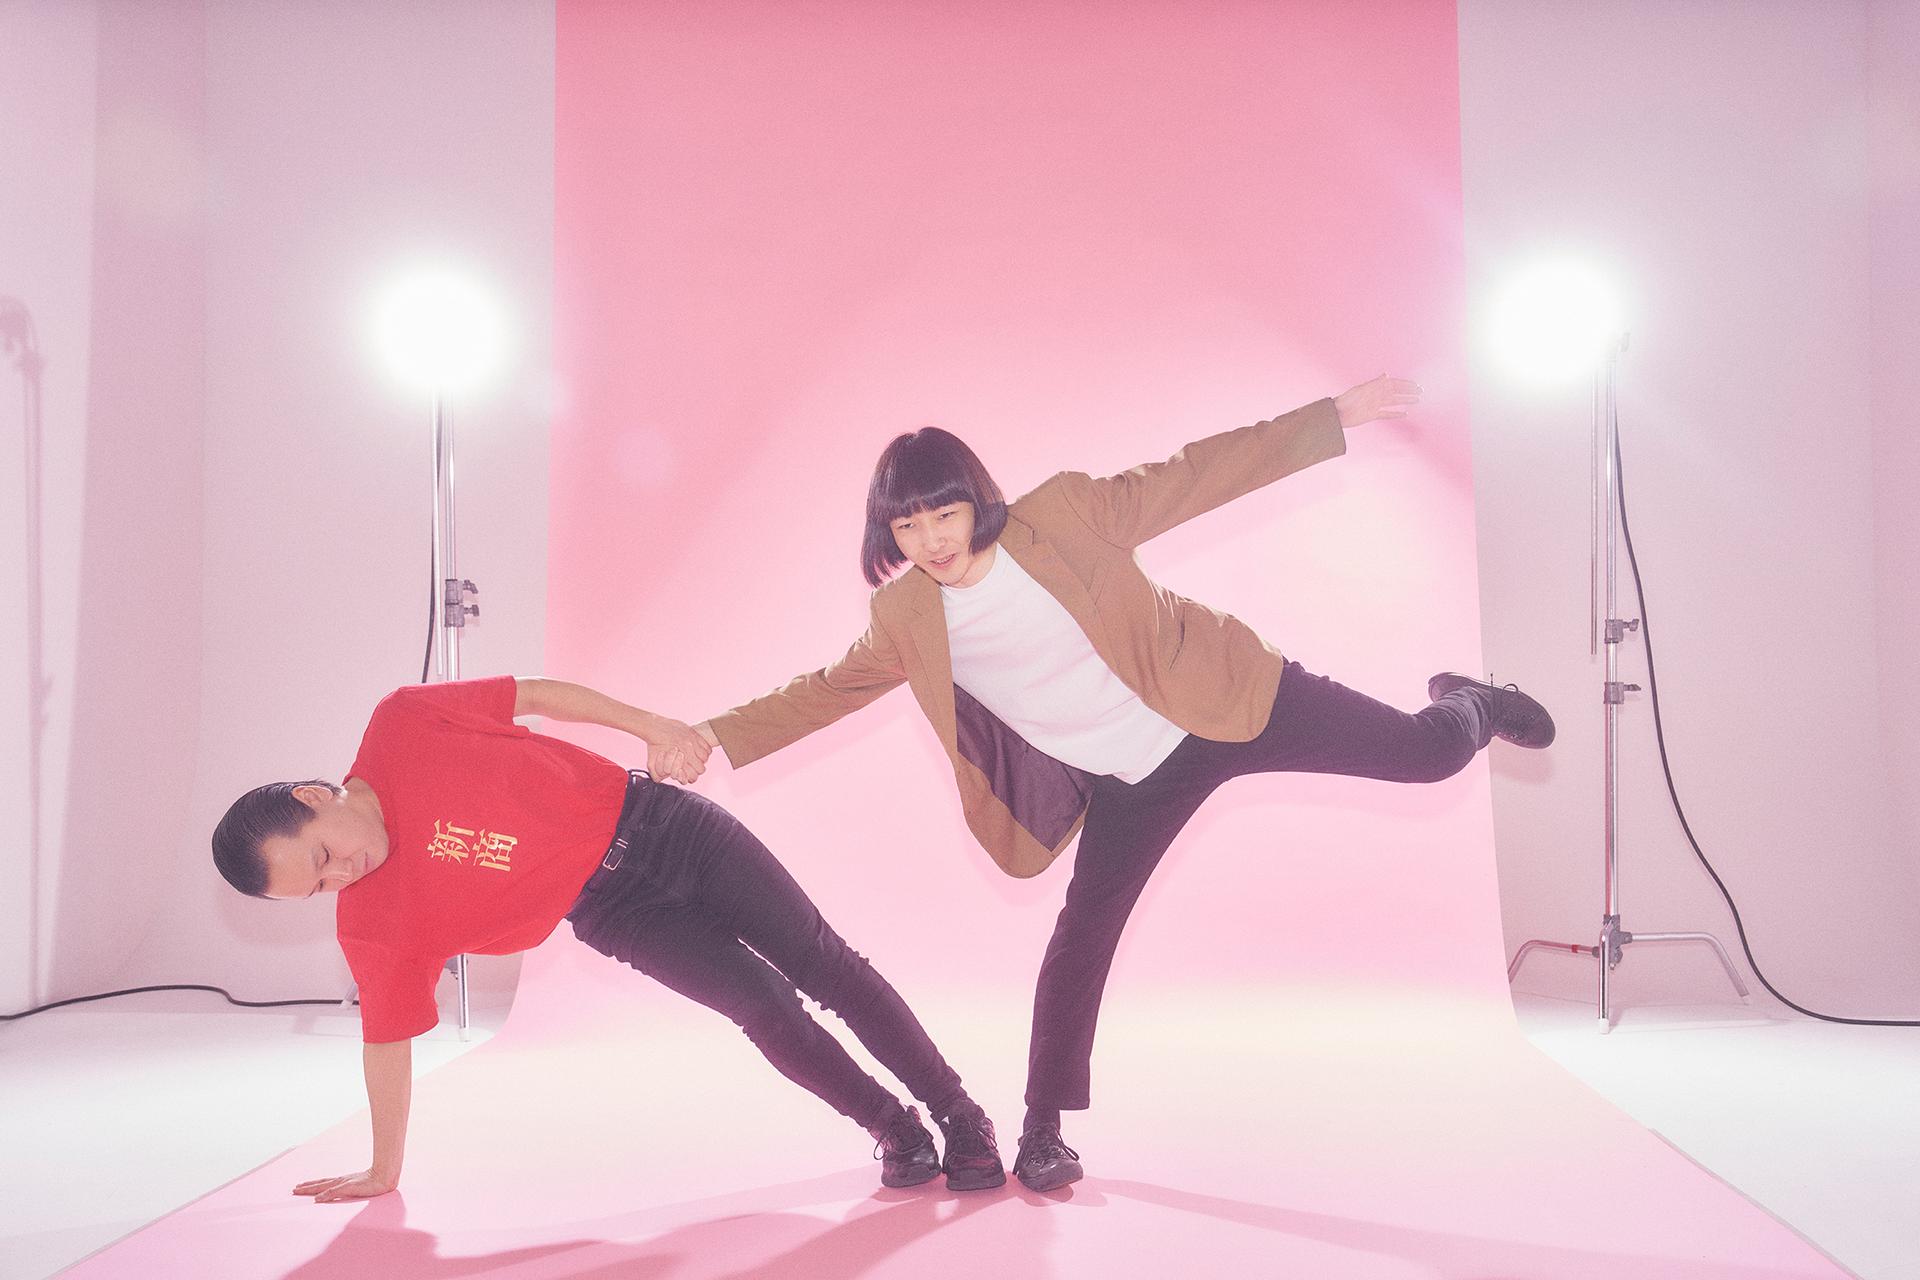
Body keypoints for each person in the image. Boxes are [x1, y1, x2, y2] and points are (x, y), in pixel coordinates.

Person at [690, 375, 1555, 1191]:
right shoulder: (904, 615)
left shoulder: (1067, 513)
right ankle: (1041, 1131)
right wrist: (711, 737)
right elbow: (826, 690)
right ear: (889, 534)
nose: (932, 541)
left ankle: (1474, 700)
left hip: (1227, 697)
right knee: (1082, 939)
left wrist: (1334, 416)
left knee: (1426, 755)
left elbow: (1197, 474)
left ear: (977, 500)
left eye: (944, 514)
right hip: (1132, 777)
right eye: (908, 527)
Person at [210, 675, 1005, 1203]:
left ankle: (960, 1114)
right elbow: (385, 1042)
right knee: (764, 1007)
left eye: (322, 855)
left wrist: (653, 724)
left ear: (314, 797)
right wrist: (384, 1167)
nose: (340, 875)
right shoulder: (372, 925)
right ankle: (894, 1128)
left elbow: (536, 693)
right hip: (614, 913)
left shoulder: (402, 723)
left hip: (666, 826)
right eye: (318, 888)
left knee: (823, 964)